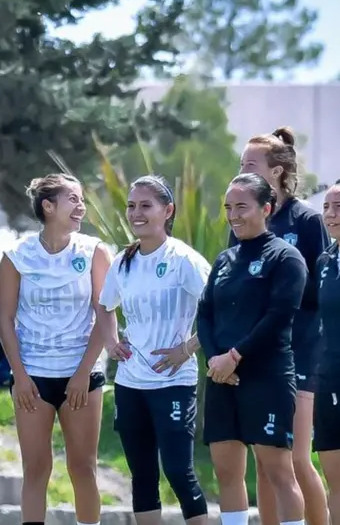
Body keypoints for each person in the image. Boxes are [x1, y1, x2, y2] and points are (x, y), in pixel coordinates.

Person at [0, 173, 113, 525]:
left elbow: (104, 315)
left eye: (81, 200)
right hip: (33, 376)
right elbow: (5, 320)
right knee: (35, 469)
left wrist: (82, 373)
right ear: (49, 206)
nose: (81, 207)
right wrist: (20, 375)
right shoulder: (16, 256)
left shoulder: (94, 251)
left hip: (82, 375)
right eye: (73, 200)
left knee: (83, 468)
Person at [99, 176, 211, 525]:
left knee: (178, 471)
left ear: (168, 211)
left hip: (173, 382)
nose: (136, 213)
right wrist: (111, 343)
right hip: (131, 383)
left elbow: (220, 308)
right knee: (142, 475)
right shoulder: (123, 261)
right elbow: (103, 307)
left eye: (146, 205)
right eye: (132, 206)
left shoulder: (183, 259)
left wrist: (186, 348)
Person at [199, 173, 308, 525]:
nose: (233, 215)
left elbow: (278, 316)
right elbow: (205, 313)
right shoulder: (225, 259)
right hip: (222, 378)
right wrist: (217, 362)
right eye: (228, 207)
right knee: (226, 471)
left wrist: (234, 357)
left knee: (278, 470)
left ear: (266, 208)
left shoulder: (285, 257)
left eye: (242, 206)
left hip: (267, 377)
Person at [235, 127, 329, 525]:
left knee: (295, 458)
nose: (241, 170)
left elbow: (320, 287)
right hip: (256, 351)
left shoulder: (306, 219)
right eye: (241, 164)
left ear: (276, 171)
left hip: (300, 351)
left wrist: (278, 285)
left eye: (250, 164)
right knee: (263, 456)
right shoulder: (245, 214)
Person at [310, 178, 340, 522]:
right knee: (337, 480)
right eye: (326, 206)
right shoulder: (325, 262)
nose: (330, 214)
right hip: (328, 380)